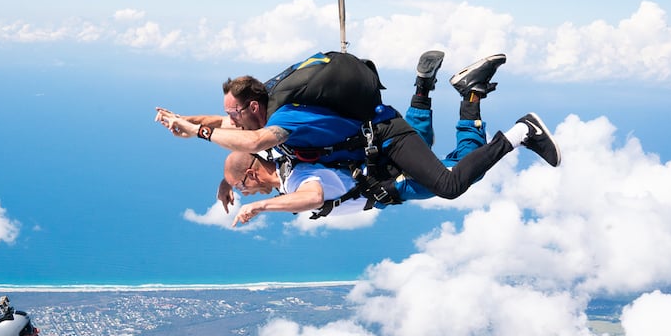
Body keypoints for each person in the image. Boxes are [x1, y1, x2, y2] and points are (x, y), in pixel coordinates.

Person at [155, 51, 560, 207]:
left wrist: (197, 134)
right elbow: (228, 130)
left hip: (382, 135)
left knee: (449, 182)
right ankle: (458, 92)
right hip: (374, 138)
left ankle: (522, 132)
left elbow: (253, 140)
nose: (230, 119)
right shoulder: (262, 115)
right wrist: (186, 122)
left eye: (235, 113)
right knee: (429, 146)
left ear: (253, 107)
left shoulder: (280, 124)